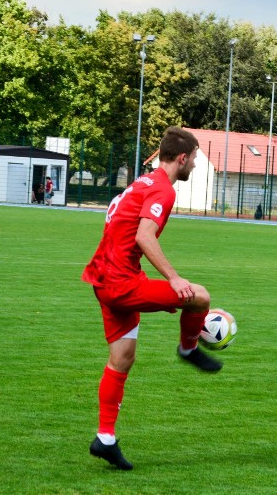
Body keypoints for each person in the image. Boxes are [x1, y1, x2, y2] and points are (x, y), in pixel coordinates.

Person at [81, 127, 222, 471]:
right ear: (183, 158)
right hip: (121, 282)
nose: (195, 167)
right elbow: (145, 235)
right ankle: (188, 348)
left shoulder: (142, 182)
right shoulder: (162, 190)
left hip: (103, 277)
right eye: (195, 160)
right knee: (200, 297)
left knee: (122, 358)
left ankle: (105, 439)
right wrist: (174, 278)